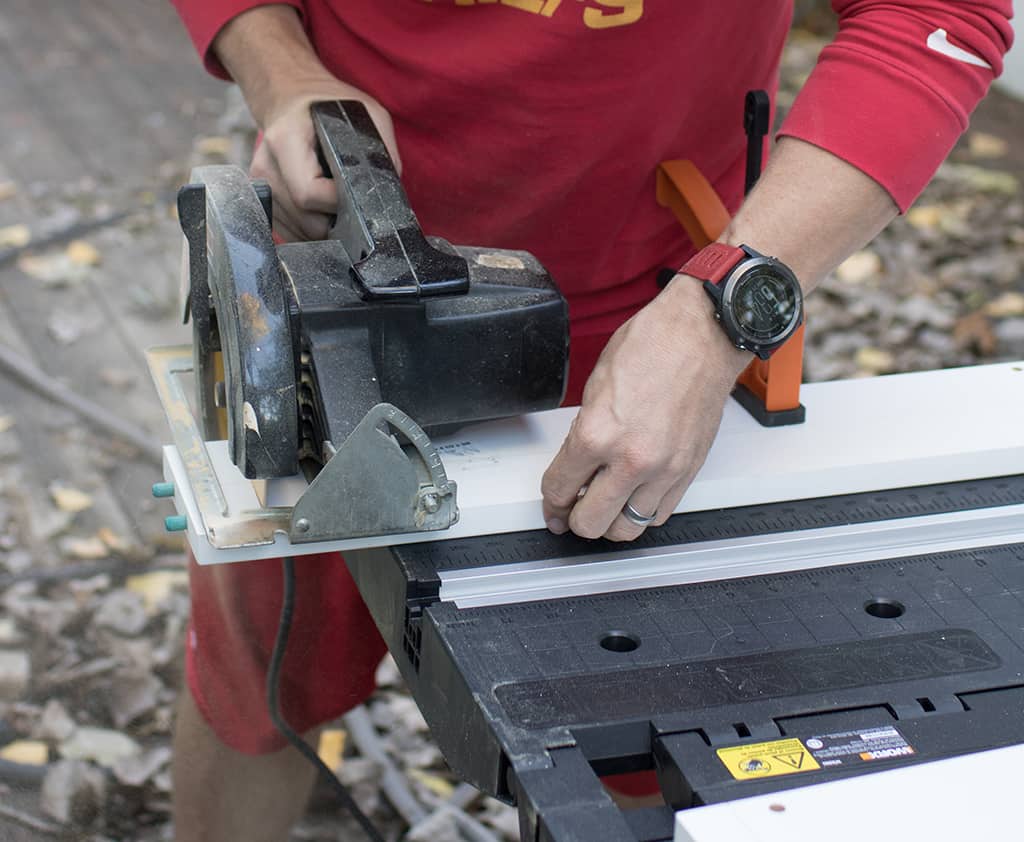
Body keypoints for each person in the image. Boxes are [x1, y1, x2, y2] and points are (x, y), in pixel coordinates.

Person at [168, 1, 1012, 839]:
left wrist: (720, 307)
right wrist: (281, 69)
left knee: (649, 724)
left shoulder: (689, 316)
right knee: (257, 692)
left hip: (662, 305)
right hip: (326, 277)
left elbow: (935, 14)